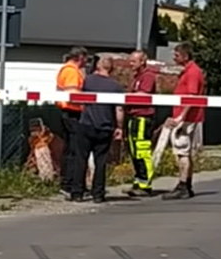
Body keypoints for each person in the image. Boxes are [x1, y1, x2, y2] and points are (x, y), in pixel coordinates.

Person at [70, 55, 124, 203]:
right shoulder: (116, 87)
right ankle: (98, 194)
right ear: (111, 69)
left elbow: (75, 93)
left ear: (98, 66)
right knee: (101, 162)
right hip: (105, 127)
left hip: (86, 125)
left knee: (81, 159)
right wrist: (119, 127)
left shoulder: (88, 81)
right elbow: (119, 110)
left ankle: (77, 192)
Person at [162, 42, 206, 200]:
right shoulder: (188, 71)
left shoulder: (193, 72)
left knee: (182, 152)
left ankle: (182, 186)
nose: (174, 57)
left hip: (187, 119)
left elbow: (192, 97)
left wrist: (181, 117)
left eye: (177, 55)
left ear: (185, 56)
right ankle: (186, 184)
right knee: (184, 152)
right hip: (187, 117)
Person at [56, 46, 88, 197]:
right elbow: (73, 94)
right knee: (74, 150)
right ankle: (70, 184)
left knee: (69, 149)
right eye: (86, 59)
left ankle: (67, 182)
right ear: (80, 57)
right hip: (72, 112)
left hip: (67, 113)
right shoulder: (72, 72)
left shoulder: (65, 70)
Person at [125, 50, 159, 197]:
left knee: (142, 150)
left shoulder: (148, 76)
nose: (130, 64)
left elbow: (143, 95)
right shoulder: (136, 77)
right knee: (134, 152)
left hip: (142, 118)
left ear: (142, 61)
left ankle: (145, 184)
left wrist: (127, 97)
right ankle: (138, 181)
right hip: (133, 117)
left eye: (133, 61)